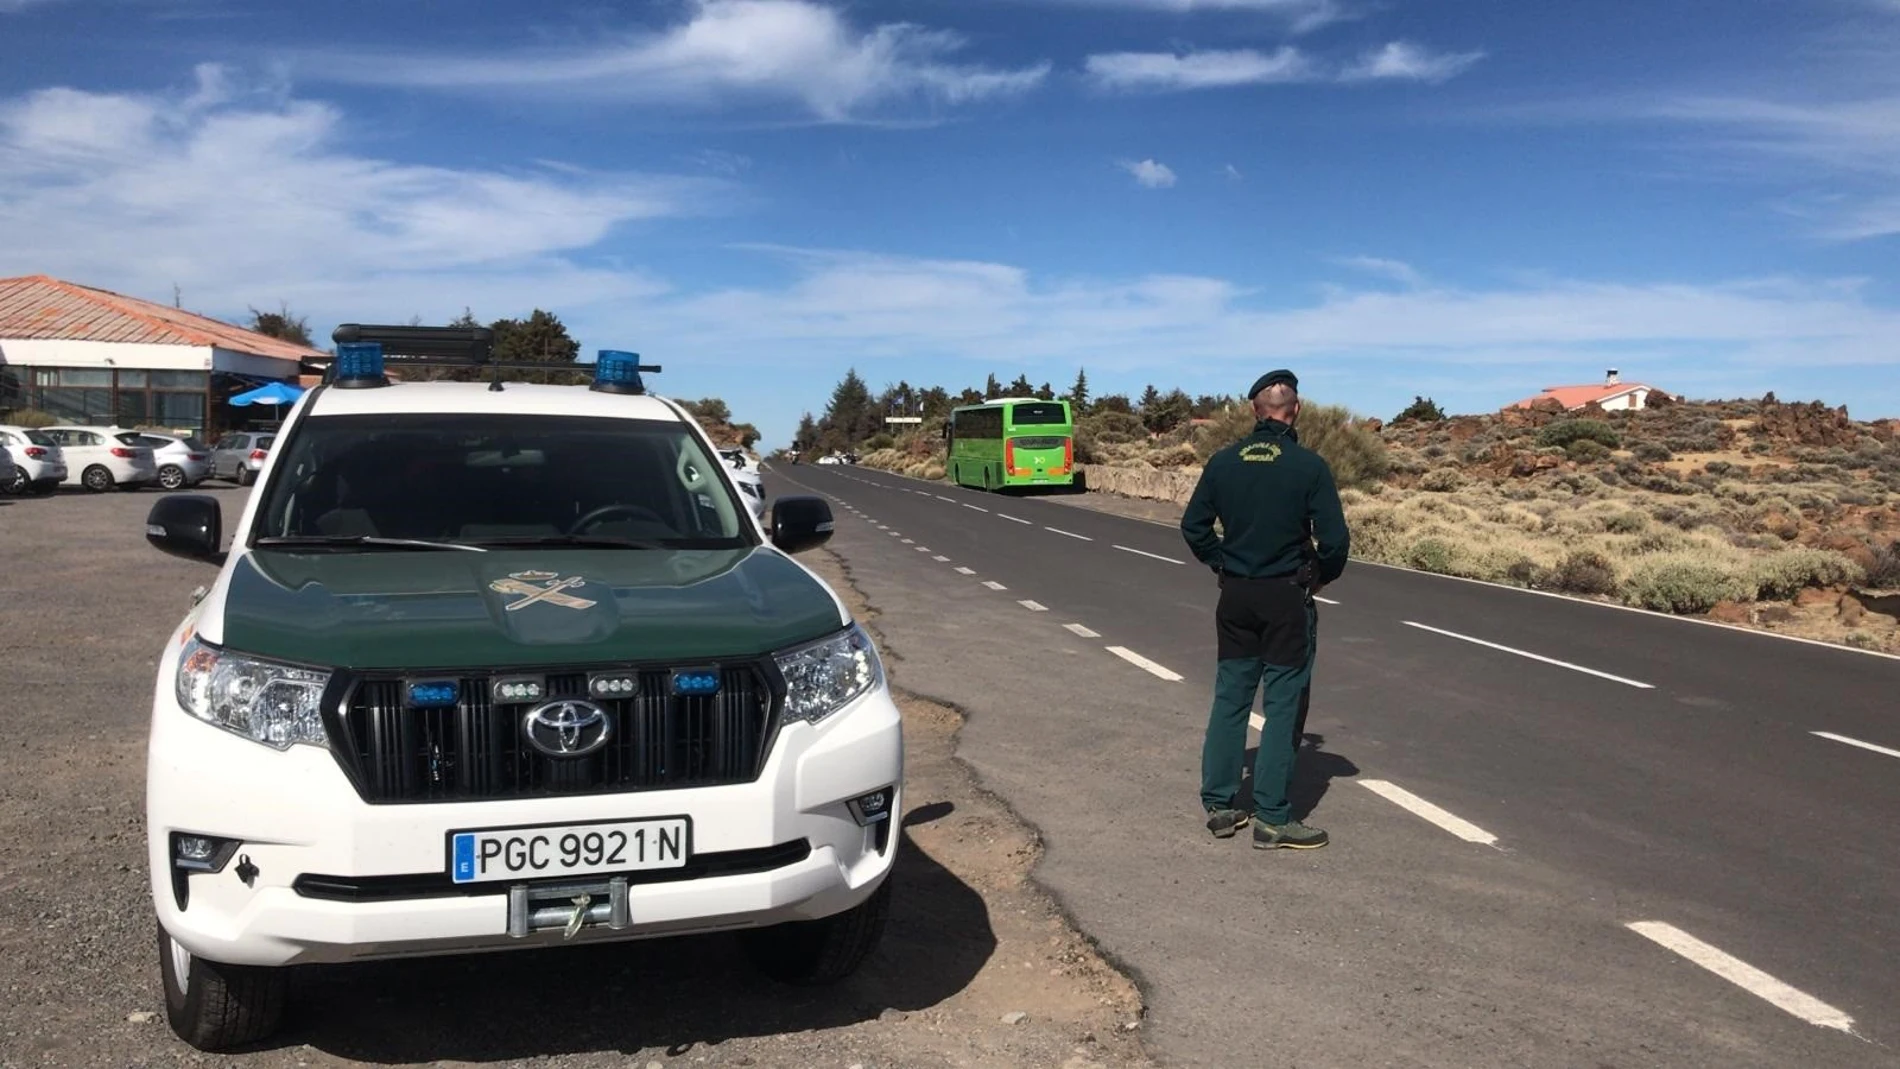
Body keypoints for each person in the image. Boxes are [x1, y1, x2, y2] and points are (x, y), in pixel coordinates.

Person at [1180, 369, 1350, 850]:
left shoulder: (1223, 462)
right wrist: (1318, 578)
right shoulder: (1308, 465)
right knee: (1282, 705)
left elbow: (1194, 527)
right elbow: (1335, 540)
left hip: (1235, 595)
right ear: (1295, 410)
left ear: (1254, 411)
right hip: (1284, 597)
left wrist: (1222, 562)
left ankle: (1220, 804)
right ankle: (1273, 817)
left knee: (1231, 698)